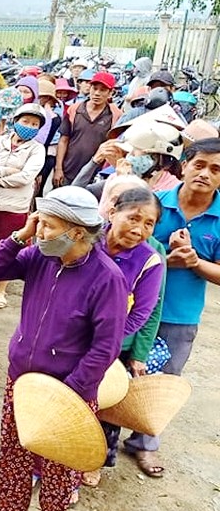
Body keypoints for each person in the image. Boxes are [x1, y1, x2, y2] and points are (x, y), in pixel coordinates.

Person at [0, 186, 126, 511]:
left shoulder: (106, 277)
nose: (40, 231)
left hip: (70, 389)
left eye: (48, 225)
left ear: (76, 233)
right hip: (24, 381)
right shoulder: (40, 256)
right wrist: (21, 236)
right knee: (14, 451)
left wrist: (70, 393)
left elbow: (106, 347)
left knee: (60, 464)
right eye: (40, 222)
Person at [122, 138, 220, 476]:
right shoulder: (155, 202)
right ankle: (104, 440)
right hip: (132, 308)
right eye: (199, 165)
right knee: (117, 374)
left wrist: (194, 262)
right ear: (184, 165)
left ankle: (144, 443)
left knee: (163, 382)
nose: (205, 174)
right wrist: (165, 257)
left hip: (181, 315)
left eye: (216, 169)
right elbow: (126, 243)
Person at [86, 184, 165, 487]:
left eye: (149, 223)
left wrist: (106, 343)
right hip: (70, 339)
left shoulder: (150, 259)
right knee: (67, 401)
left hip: (114, 347)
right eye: (133, 217)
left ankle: (92, 462)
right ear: (112, 211)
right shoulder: (88, 240)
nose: (139, 229)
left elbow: (143, 313)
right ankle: (52, 462)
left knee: (106, 406)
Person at [0, 103, 46, 309]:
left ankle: (0, 290)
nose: (29, 126)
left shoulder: (37, 149)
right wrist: (7, 172)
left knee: (8, 248)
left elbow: (26, 177)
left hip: (14, 207)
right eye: (25, 121)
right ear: (16, 121)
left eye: (34, 124)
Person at [54, 72, 121, 187]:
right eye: (94, 88)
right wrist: (58, 168)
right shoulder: (74, 110)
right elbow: (63, 140)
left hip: (93, 175)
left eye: (103, 90)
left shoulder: (115, 115)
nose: (97, 93)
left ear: (111, 93)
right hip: (68, 170)